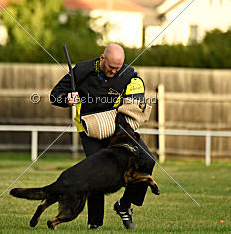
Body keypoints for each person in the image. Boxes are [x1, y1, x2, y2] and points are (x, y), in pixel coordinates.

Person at [50, 44, 155, 230]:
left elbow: (136, 97)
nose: (115, 71)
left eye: (118, 67)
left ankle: (125, 205)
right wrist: (66, 100)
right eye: (111, 67)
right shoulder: (81, 71)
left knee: (147, 160)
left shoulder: (128, 74)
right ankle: (94, 224)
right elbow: (54, 95)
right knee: (96, 173)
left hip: (116, 127)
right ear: (102, 59)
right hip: (90, 129)